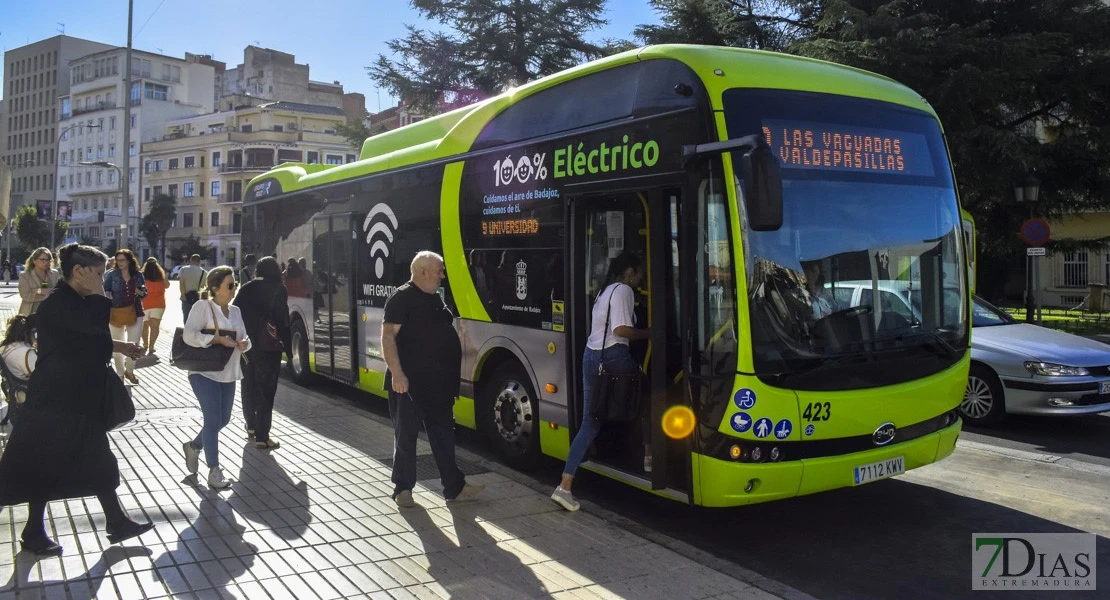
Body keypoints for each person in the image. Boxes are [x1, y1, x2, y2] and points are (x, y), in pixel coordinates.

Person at [0, 243, 153, 556]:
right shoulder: (59, 301)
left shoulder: (76, 301)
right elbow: (91, 324)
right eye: (97, 273)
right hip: (56, 400)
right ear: (80, 272)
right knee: (41, 463)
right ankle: (34, 532)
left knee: (97, 459)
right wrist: (100, 293)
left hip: (78, 399)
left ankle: (115, 521)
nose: (102, 279)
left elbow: (88, 337)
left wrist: (121, 349)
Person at [381, 251, 484, 508]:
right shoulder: (401, 298)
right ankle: (403, 489)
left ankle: (454, 487)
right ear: (423, 272)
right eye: (439, 270)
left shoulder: (434, 298)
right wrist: (397, 373)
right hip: (410, 384)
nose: (442, 275)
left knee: (443, 437)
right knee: (406, 436)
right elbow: (387, 338)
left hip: (438, 385)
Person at [551, 252, 651, 512]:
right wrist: (651, 333)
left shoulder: (604, 291)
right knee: (647, 395)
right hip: (614, 355)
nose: (639, 278)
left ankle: (565, 486)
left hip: (590, 356)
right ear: (630, 272)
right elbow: (620, 331)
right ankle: (650, 455)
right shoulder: (624, 291)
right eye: (638, 273)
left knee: (589, 423)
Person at [181, 266, 251, 490]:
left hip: (228, 372)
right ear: (214, 288)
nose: (234, 288)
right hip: (204, 372)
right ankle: (214, 470)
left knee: (223, 420)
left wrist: (245, 344)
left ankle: (194, 446)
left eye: (235, 284)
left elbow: (246, 338)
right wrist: (216, 340)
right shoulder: (203, 306)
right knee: (212, 420)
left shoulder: (238, 311)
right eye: (230, 285)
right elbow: (189, 335)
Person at [233, 256, 289, 448]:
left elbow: (234, 313)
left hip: (246, 345)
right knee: (266, 390)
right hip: (268, 348)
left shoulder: (246, 288)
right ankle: (263, 437)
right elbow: (283, 321)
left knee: (248, 385)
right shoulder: (279, 289)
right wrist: (289, 349)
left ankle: (251, 426)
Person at [104, 249, 146, 384]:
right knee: (118, 346)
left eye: (122, 260)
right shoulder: (111, 275)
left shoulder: (138, 275)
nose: (119, 263)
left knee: (135, 343)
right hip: (115, 312)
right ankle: (120, 375)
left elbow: (145, 292)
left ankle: (130, 370)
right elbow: (104, 290)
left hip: (135, 311)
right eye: (117, 260)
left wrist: (141, 292)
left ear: (129, 261)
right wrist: (107, 295)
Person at [0, 314, 38, 424]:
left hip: (14, 391)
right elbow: (42, 375)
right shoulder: (26, 353)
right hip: (25, 393)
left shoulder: (7, 347)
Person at [18, 247, 62, 316]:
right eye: (42, 259)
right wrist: (42, 292)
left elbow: (59, 292)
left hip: (52, 313)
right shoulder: (24, 276)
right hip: (30, 314)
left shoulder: (55, 274)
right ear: (34, 260)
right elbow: (25, 295)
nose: (46, 262)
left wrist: (36, 291)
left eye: (48, 260)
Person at [140, 257, 167, 355]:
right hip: (158, 304)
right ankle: (151, 346)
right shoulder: (161, 276)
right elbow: (167, 285)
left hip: (144, 304)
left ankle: (145, 344)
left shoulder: (142, 276)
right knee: (155, 326)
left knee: (144, 325)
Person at [178, 254, 206, 319]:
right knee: (197, 318)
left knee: (186, 317)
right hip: (198, 298)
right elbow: (205, 287)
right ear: (200, 262)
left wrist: (183, 295)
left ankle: (187, 329)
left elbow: (181, 283)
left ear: (190, 260)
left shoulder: (183, 269)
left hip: (186, 297)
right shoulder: (204, 272)